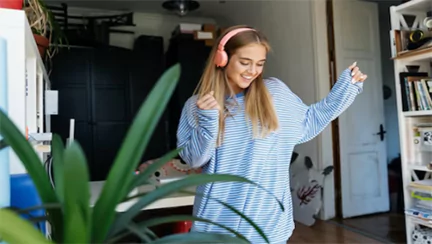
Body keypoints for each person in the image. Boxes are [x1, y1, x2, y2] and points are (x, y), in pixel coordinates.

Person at [176, 25, 367, 244]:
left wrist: (347, 88)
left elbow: (310, 120)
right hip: (217, 225)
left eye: (260, 64)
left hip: (268, 225)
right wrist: (210, 120)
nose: (252, 71)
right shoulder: (195, 106)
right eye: (245, 62)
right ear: (222, 58)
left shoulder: (274, 94)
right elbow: (194, 159)